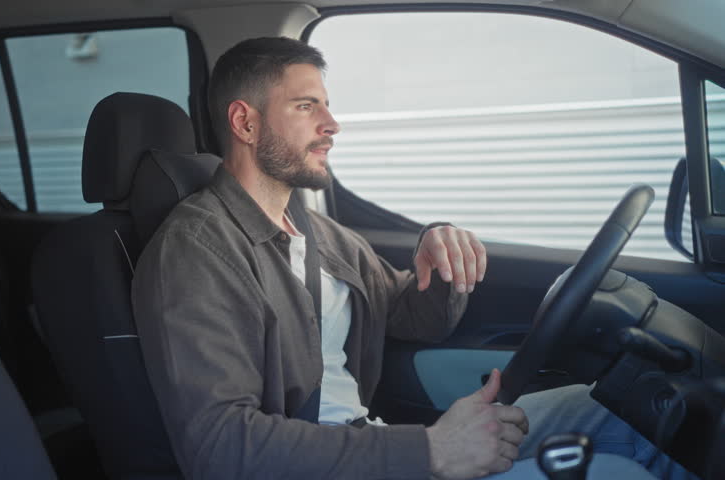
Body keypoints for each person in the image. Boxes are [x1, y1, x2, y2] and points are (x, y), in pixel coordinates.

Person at [131, 37, 691, 480]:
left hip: (377, 446)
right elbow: (220, 449)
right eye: (307, 107)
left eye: (327, 105)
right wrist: (428, 451)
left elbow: (408, 315)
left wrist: (439, 259)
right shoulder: (197, 250)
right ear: (245, 123)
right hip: (364, 462)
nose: (332, 125)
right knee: (616, 470)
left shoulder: (315, 230)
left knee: (622, 410)